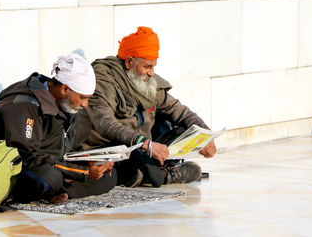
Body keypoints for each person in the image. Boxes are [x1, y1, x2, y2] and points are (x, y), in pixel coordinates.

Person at [74, 27, 216, 188]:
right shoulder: (102, 80)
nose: (151, 73)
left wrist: (206, 136)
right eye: (147, 67)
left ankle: (153, 171)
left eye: (153, 67)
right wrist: (145, 144)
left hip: (143, 147)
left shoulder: (147, 82)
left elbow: (179, 111)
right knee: (135, 170)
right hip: (113, 149)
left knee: (184, 131)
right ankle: (162, 174)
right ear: (129, 62)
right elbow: (105, 123)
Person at [0, 53, 116, 204]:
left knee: (109, 175)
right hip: (19, 169)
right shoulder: (24, 105)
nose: (85, 104)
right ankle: (55, 188)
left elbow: (65, 151)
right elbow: (25, 157)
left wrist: (91, 164)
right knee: (50, 176)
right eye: (83, 97)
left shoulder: (65, 104)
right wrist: (82, 172)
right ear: (65, 89)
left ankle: (60, 192)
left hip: (54, 165)